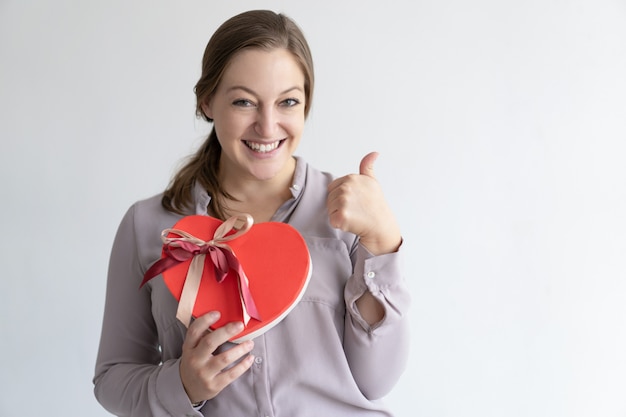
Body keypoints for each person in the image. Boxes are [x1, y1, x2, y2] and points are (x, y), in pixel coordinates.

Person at [93, 9, 410, 417]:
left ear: (306, 104)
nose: (267, 125)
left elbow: (376, 381)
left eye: (288, 102)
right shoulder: (148, 226)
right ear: (207, 101)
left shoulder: (349, 216)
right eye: (244, 101)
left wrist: (383, 243)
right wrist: (182, 385)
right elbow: (113, 379)